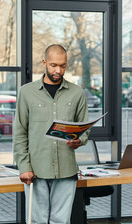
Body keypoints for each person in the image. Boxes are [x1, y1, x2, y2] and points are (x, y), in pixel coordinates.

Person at [13, 44, 89, 224]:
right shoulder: (27, 92)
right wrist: (24, 167)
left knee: (60, 222)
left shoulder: (77, 93)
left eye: (63, 66)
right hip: (36, 170)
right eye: (54, 65)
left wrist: (79, 140)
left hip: (66, 170)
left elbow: (84, 130)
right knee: (37, 221)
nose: (58, 70)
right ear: (44, 62)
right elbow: (20, 132)